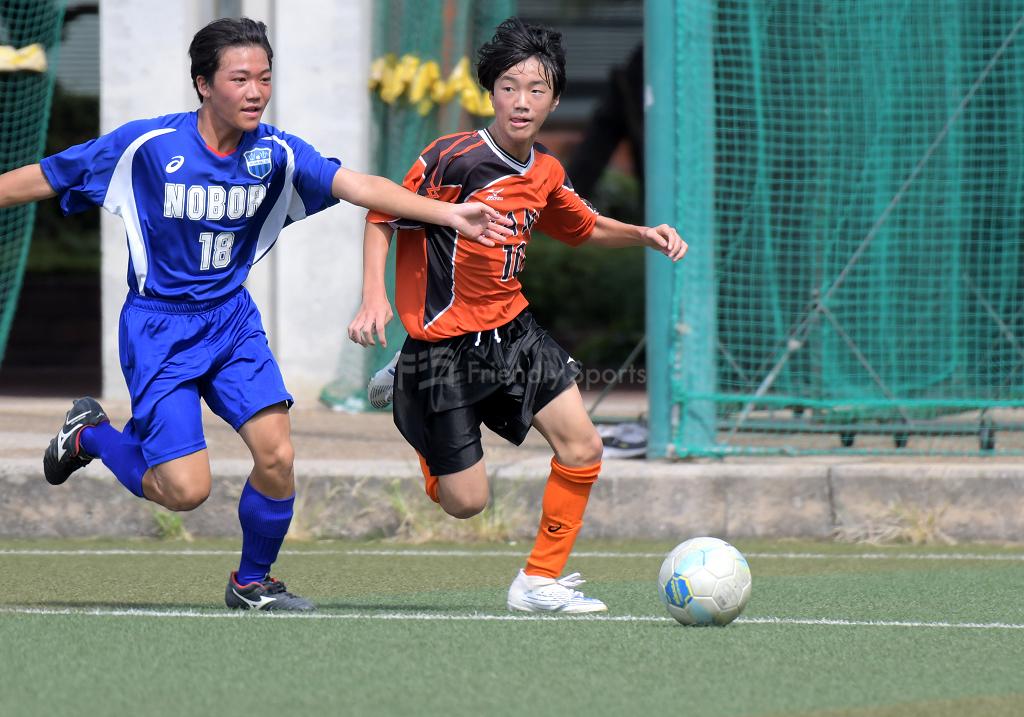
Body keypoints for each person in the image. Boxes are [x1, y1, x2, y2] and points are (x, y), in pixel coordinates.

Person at [0, 17, 511, 612]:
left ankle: (252, 583)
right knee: (185, 492)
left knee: (278, 454)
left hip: (232, 322)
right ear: (202, 84)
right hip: (159, 327)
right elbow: (44, 178)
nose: (255, 91)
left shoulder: (278, 154)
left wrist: (447, 215)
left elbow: (361, 185)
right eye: (240, 78)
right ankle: (89, 435)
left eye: (264, 78)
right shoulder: (144, 147)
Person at [347, 17, 687, 613]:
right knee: (465, 502)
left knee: (583, 445)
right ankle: (410, 387)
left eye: (537, 88)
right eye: (509, 86)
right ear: (490, 92)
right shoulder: (451, 160)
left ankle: (537, 581)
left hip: (514, 332)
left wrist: (643, 233)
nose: (522, 101)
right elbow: (381, 215)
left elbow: (583, 228)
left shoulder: (546, 170)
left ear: (556, 97)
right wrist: (375, 297)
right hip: (445, 346)